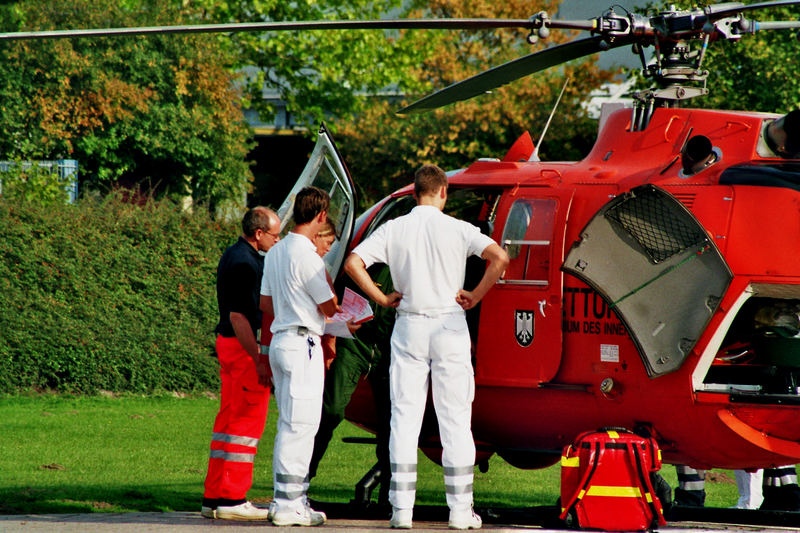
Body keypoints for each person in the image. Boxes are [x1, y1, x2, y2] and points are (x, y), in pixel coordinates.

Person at [344, 164, 510, 530]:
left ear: (416, 191)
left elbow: (354, 262)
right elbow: (500, 258)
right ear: (443, 192)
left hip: (409, 324)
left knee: (404, 417)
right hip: (449, 324)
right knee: (455, 419)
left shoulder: (394, 228)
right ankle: (460, 511)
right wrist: (476, 295)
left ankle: (401, 510)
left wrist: (381, 298)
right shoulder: (458, 228)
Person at [260, 186, 339, 527]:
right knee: (302, 425)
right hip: (303, 342)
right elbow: (328, 306)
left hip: (281, 339)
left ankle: (288, 499)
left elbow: (265, 303)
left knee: (288, 423)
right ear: (321, 216)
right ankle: (289, 503)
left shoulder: (276, 252)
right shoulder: (308, 255)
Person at [201, 206, 281, 521]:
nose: (278, 241)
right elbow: (239, 317)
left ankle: (214, 496)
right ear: (258, 233)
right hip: (242, 347)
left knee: (227, 421)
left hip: (229, 346)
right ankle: (234, 499)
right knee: (247, 422)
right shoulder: (246, 265)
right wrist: (259, 358)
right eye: (275, 235)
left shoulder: (234, 254)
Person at [308, 263, 395, 507]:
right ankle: (300, 482)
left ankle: (389, 494)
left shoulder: (417, 265)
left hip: (390, 351)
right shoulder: (368, 263)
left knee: (392, 423)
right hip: (355, 344)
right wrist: (334, 333)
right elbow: (335, 299)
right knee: (331, 410)